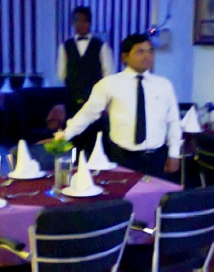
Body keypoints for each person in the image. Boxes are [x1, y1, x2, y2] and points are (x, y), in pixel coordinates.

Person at [59, 33, 182, 177]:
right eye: (140, 51)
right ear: (125, 57)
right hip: (122, 157)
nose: (147, 56)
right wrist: (64, 136)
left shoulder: (164, 85)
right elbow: (88, 114)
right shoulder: (109, 84)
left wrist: (174, 153)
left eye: (150, 51)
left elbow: (173, 120)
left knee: (156, 191)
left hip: (156, 157)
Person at [57, 6, 113, 154]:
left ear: (90, 23)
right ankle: (74, 166)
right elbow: (62, 74)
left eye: (84, 21)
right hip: (72, 101)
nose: (80, 24)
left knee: (95, 140)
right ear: (72, 23)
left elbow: (108, 75)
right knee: (73, 140)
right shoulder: (65, 47)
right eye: (77, 21)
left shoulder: (101, 46)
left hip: (95, 101)